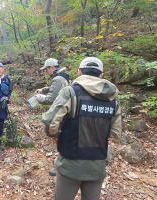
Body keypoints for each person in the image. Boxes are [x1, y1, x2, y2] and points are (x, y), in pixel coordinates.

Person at [42, 57, 122, 200]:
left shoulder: (70, 92)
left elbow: (50, 122)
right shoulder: (112, 98)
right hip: (97, 166)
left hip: (70, 165)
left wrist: (55, 133)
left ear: (79, 72)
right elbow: (116, 134)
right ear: (101, 75)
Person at [35, 58, 72, 177]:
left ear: (51, 68)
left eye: (46, 69)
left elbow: (50, 99)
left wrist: (38, 98)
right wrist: (43, 90)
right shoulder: (64, 76)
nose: (46, 71)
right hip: (67, 112)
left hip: (61, 114)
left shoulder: (57, 79)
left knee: (61, 139)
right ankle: (61, 162)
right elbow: (54, 90)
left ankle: (62, 167)